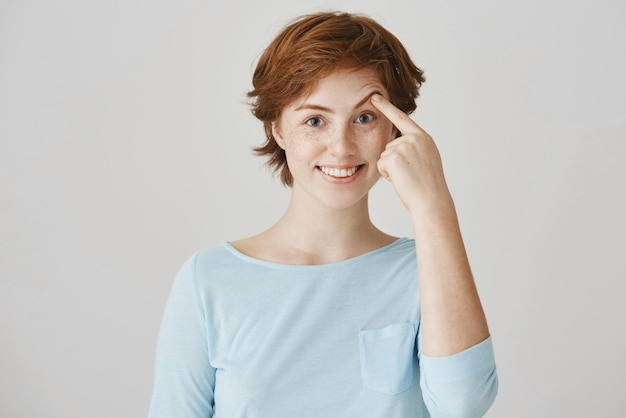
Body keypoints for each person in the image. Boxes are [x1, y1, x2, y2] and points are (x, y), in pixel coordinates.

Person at [148, 11, 498, 418]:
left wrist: (433, 203)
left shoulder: (427, 270)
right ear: (277, 127)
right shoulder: (208, 281)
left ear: (395, 128)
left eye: (364, 118)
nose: (342, 147)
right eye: (315, 120)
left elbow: (464, 405)